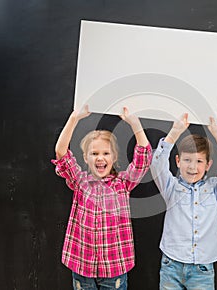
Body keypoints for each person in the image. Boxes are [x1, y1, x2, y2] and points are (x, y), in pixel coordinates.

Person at [51, 105, 152, 290]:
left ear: (114, 157)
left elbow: (143, 159)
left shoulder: (123, 183)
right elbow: (61, 153)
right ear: (86, 157)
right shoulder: (80, 181)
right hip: (82, 266)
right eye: (94, 154)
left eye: (106, 153)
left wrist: (135, 123)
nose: (100, 158)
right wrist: (74, 118)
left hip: (114, 269)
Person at [150, 113, 217, 290]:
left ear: (208, 165)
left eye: (199, 161)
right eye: (187, 160)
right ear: (178, 161)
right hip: (172, 264)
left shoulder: (215, 189)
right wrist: (175, 132)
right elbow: (156, 165)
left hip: (202, 269)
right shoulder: (170, 187)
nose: (192, 167)